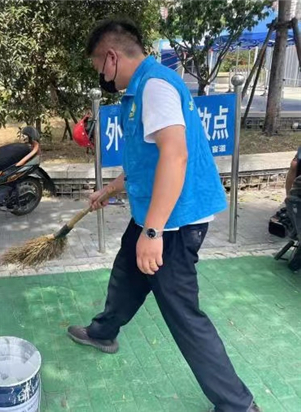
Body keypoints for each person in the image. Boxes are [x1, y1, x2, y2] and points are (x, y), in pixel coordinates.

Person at [66, 19, 259, 412]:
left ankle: (239, 406)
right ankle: (103, 332)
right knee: (127, 273)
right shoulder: (142, 90)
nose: (101, 76)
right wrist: (109, 190)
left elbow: (175, 155)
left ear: (111, 58)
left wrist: (152, 232)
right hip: (155, 214)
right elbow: (146, 161)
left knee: (183, 316)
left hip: (174, 222)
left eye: (97, 68)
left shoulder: (154, 88)